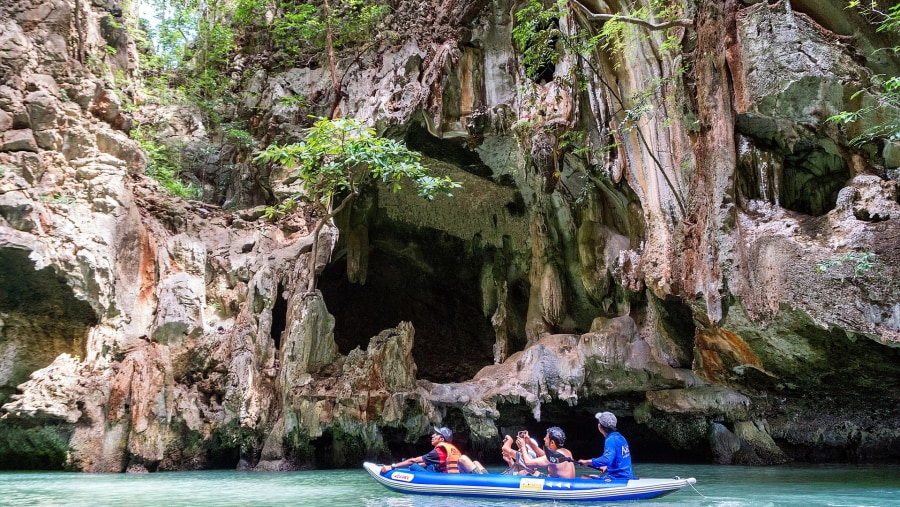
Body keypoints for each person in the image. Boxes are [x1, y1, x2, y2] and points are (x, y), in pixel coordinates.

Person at [381, 426, 487, 474]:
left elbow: (413, 461)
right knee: (430, 466)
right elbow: (425, 463)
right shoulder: (451, 448)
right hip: (453, 473)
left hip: (449, 477)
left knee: (413, 465)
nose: (432, 435)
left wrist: (392, 466)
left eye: (436, 434)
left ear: (441, 439)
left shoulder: (439, 451)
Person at [578, 411, 633, 480]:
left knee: (584, 478)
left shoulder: (610, 440)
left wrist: (586, 462)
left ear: (599, 426)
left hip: (618, 479)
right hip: (627, 476)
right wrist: (607, 467)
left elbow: (607, 460)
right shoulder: (621, 437)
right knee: (592, 475)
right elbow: (619, 459)